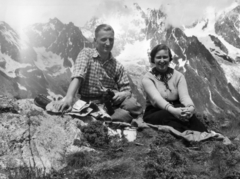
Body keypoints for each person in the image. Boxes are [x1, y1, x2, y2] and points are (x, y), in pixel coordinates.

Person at [55, 24, 142, 123]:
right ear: (95, 41)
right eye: (103, 39)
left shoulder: (118, 65)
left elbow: (127, 90)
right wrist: (69, 97)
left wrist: (123, 94)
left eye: (111, 39)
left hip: (110, 102)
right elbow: (78, 76)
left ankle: (112, 116)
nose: (108, 43)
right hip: (89, 103)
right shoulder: (86, 54)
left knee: (132, 104)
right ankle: (113, 117)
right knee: (125, 115)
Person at [142, 44, 207, 132]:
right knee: (172, 117)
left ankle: (200, 132)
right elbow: (156, 99)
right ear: (153, 59)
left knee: (184, 113)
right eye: (158, 57)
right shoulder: (148, 78)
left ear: (170, 59)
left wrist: (190, 108)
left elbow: (184, 96)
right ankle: (193, 133)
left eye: (165, 57)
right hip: (154, 112)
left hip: (177, 108)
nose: (162, 60)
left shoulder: (179, 76)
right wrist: (173, 111)